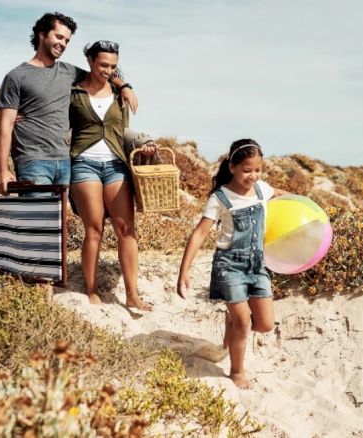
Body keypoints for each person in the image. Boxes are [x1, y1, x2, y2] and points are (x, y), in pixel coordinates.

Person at [176, 139, 288, 389]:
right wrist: (184, 271)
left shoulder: (263, 190)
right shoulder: (220, 197)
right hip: (229, 266)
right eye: (247, 170)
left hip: (258, 266)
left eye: (258, 170)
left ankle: (232, 321)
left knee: (266, 325)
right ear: (233, 167)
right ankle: (237, 371)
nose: (253, 175)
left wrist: (305, 206)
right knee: (244, 323)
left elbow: (283, 196)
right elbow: (199, 234)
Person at [0, 12, 138, 195]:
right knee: (38, 219)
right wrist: (2, 170)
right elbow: (5, 126)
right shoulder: (17, 76)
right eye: (59, 37)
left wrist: (124, 86)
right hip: (33, 160)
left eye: (67, 41)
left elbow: (102, 72)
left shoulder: (68, 72)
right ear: (42, 34)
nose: (63, 44)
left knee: (57, 222)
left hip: (64, 162)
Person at [68, 40, 156, 311]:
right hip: (84, 164)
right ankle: (91, 289)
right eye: (102, 64)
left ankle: (132, 295)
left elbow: (123, 131)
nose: (107, 70)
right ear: (90, 61)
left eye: (112, 66)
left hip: (116, 165)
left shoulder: (121, 94)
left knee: (126, 230)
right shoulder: (73, 92)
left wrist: (145, 143)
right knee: (94, 228)